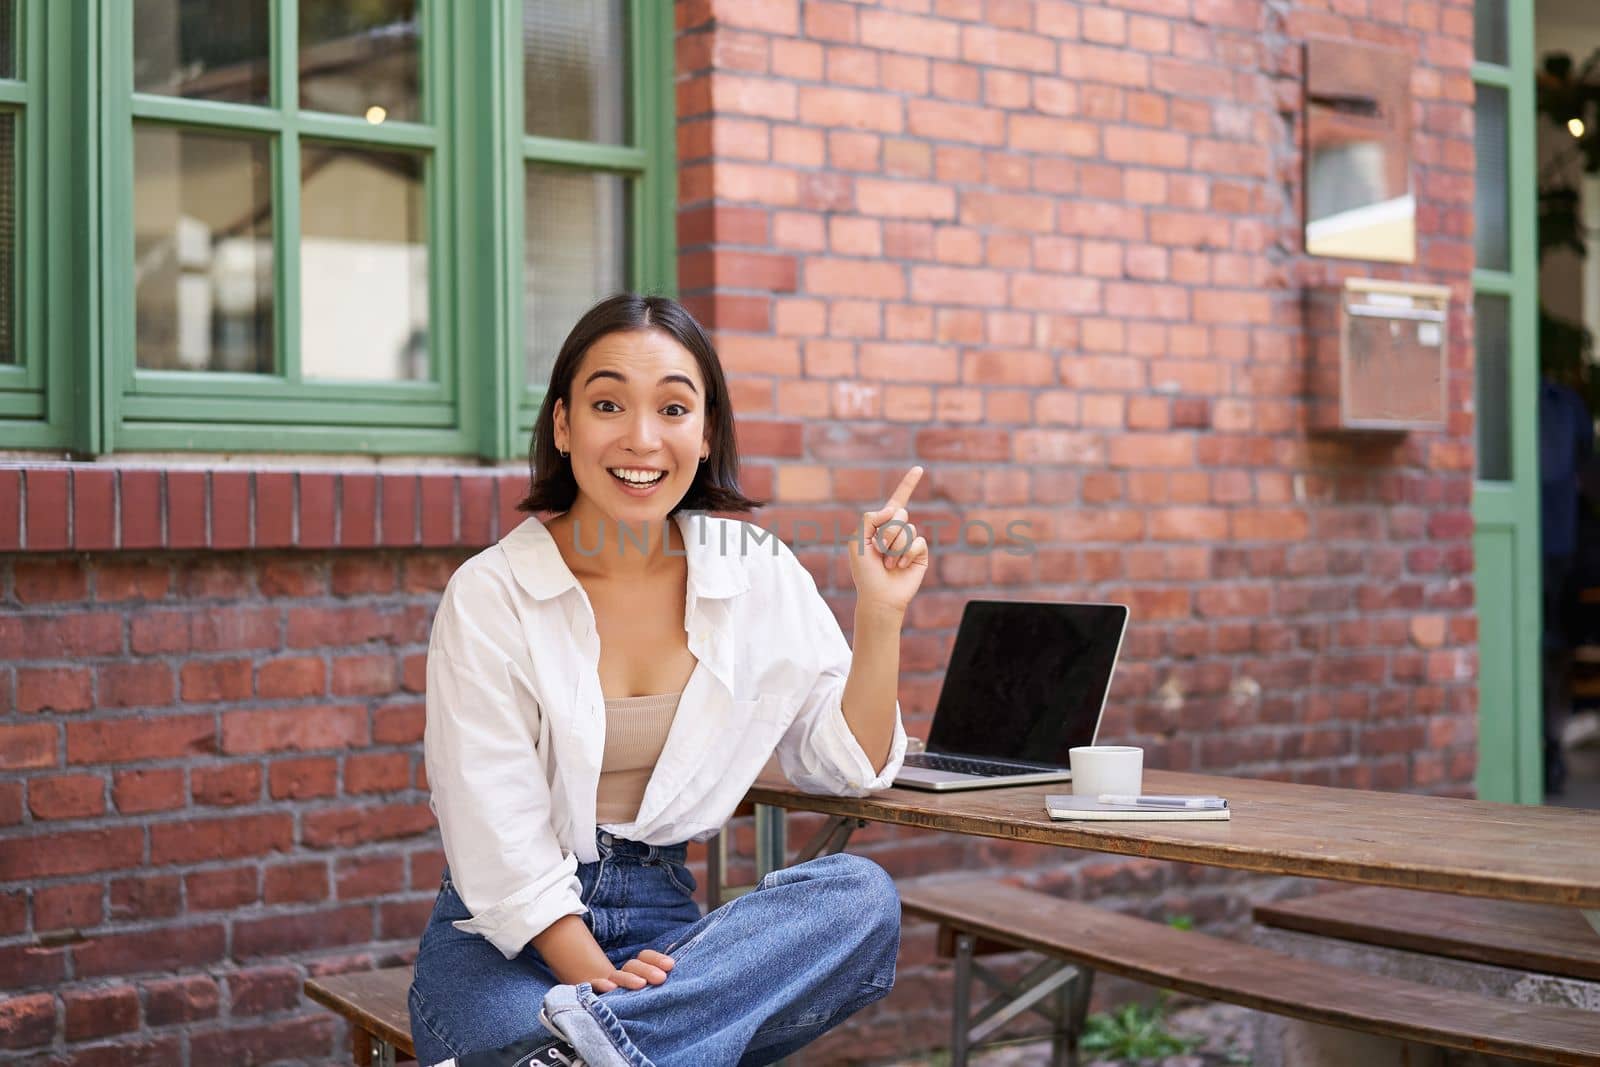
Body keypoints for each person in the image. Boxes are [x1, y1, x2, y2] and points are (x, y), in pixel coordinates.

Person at [407, 293, 931, 1066]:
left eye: (674, 407)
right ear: (563, 425)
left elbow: (846, 765)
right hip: (507, 945)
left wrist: (879, 615)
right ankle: (609, 1047)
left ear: (706, 428)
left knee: (859, 897)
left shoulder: (754, 570)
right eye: (609, 403)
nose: (642, 438)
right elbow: (495, 833)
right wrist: (596, 979)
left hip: (672, 939)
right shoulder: (493, 593)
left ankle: (584, 1054)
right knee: (596, 1035)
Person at [1540, 376, 1595, 795]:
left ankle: (1551, 748)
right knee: (1550, 654)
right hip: (1551, 544)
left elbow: (1587, 475)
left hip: (1562, 548)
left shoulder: (1568, 406)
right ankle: (1548, 748)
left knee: (1557, 652)